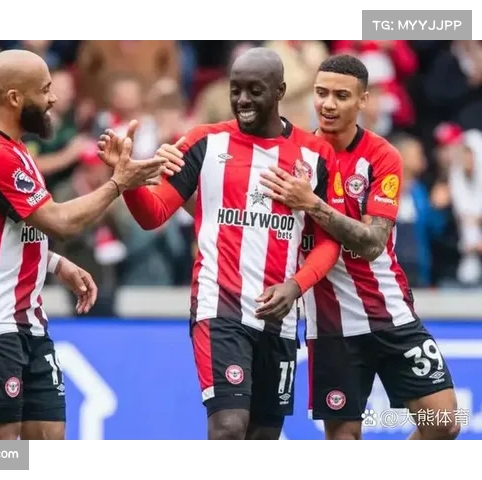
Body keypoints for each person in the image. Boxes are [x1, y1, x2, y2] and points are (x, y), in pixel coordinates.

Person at [98, 47, 345, 440]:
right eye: (235, 90)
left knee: (262, 438)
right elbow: (154, 214)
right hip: (220, 306)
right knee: (228, 428)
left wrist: (295, 286)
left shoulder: (316, 156)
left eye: (254, 90)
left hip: (279, 315)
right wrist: (126, 182)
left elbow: (329, 242)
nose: (242, 99)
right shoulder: (204, 142)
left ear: (279, 91)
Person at [0, 49, 166, 441]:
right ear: (15, 98)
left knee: (49, 437)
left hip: (26, 316)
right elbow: (60, 222)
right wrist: (118, 184)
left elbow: (0, 234)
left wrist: (55, 263)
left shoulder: (12, 148)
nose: (54, 98)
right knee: (1, 453)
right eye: (45, 90)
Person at [259, 54, 460, 440]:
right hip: (330, 324)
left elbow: (372, 243)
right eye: (321, 93)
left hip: (388, 312)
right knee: (343, 437)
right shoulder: (293, 156)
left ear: (363, 100)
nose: (328, 104)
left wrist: (312, 204)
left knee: (444, 422)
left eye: (341, 95)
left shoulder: (382, 157)